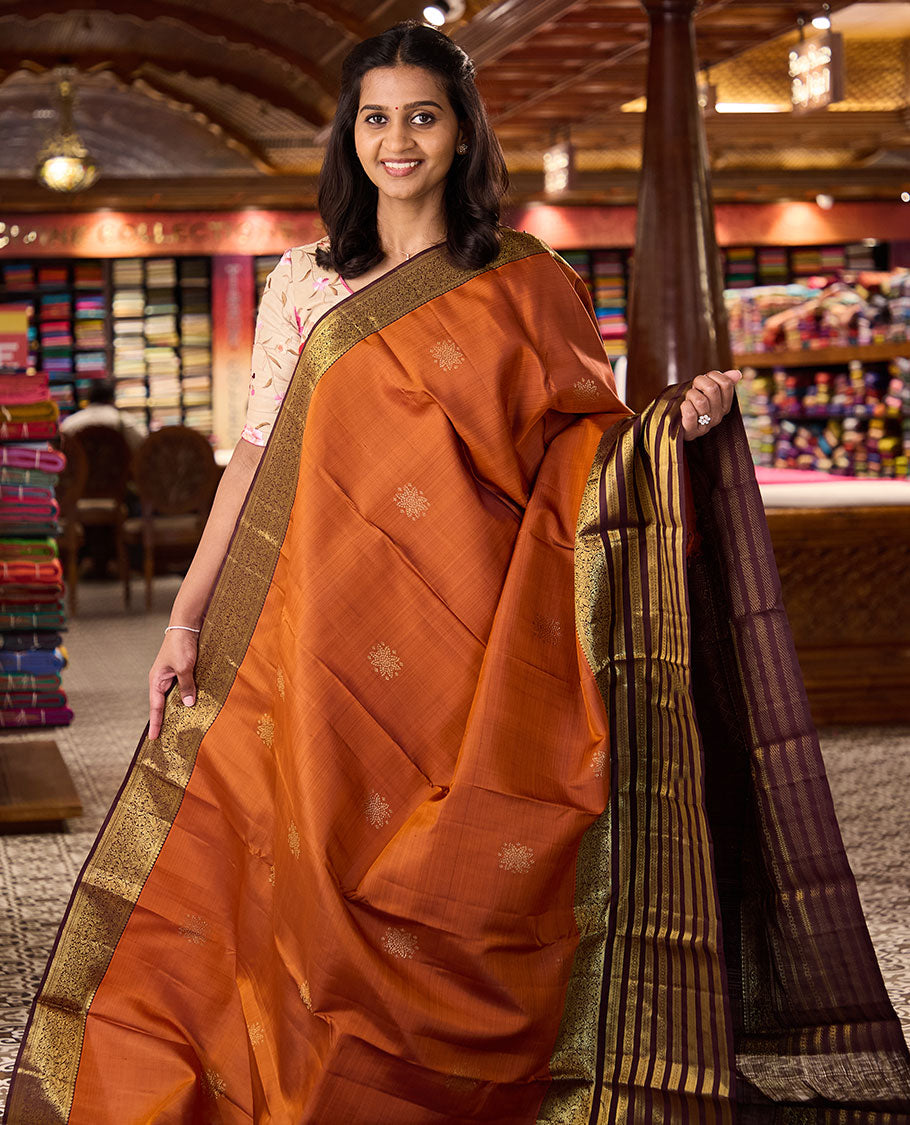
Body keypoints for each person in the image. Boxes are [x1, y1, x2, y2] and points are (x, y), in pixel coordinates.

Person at [7, 22, 908, 1125]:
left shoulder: (528, 282)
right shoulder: (305, 286)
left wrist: (674, 426)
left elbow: (587, 448)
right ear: (349, 137)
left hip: (476, 635)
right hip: (315, 628)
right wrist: (184, 619)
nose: (398, 139)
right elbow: (252, 461)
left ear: (461, 132)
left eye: (422, 115)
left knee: (453, 868)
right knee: (310, 864)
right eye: (375, 117)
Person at [59, 378, 144, 453]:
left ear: (88, 399)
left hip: (80, 470)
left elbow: (63, 450)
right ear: (113, 399)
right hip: (118, 470)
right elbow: (143, 447)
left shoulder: (71, 423)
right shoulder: (124, 422)